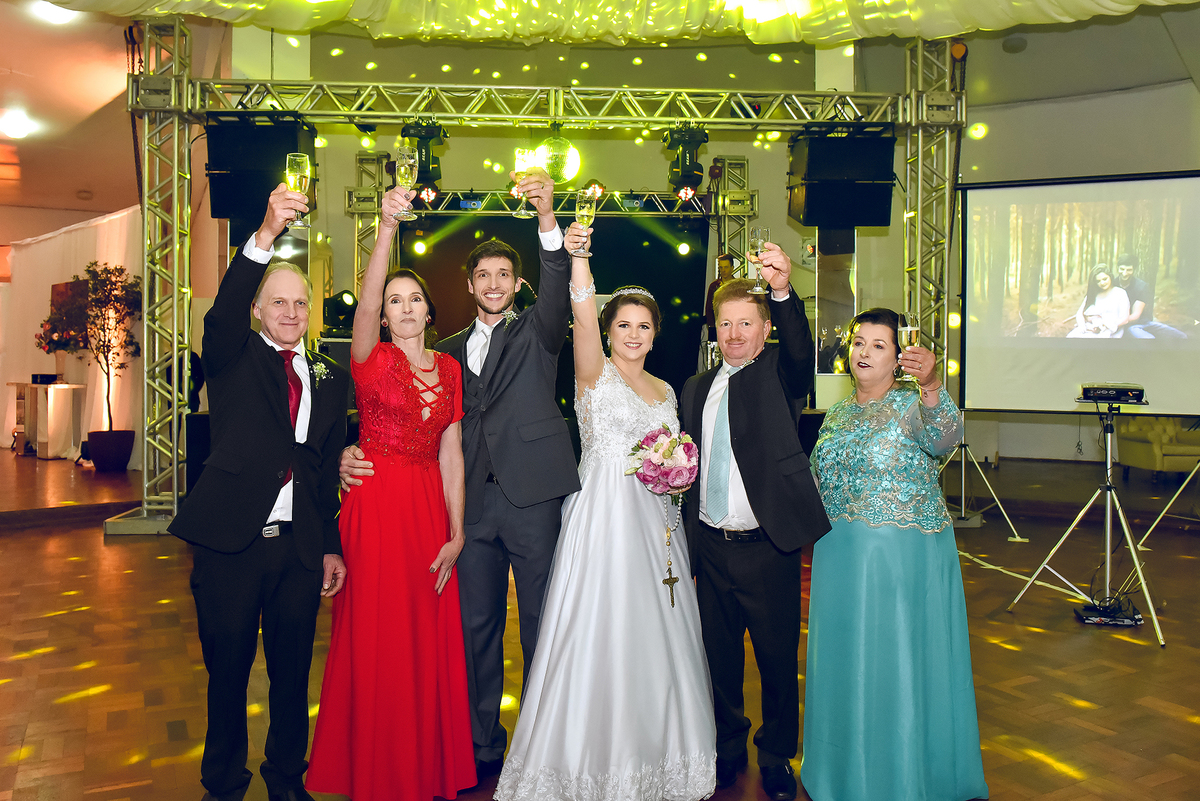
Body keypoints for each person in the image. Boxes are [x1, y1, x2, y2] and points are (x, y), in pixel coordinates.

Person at [340, 168, 578, 777]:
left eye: (504, 275)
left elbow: (557, 290)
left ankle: (543, 746)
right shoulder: (442, 353)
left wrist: (547, 219)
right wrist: (351, 454)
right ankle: (481, 745)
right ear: (469, 286)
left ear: (517, 283)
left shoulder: (540, 330)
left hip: (533, 501)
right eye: (483, 276)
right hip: (468, 509)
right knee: (475, 631)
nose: (494, 283)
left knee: (543, 627)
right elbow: (413, 420)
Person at [495, 226, 717, 801]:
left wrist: (676, 469)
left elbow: (673, 451)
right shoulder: (594, 373)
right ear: (608, 331)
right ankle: (587, 758)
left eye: (643, 326)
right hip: (604, 517)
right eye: (623, 325)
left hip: (658, 525)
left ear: (655, 333)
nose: (633, 334)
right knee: (601, 626)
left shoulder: (666, 390)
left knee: (656, 632)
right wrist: (580, 259)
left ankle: (658, 753)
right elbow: (581, 309)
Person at [168, 184, 349, 801]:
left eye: (301, 303)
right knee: (227, 675)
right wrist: (267, 233)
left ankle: (286, 780)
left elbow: (322, 473)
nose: (291, 313)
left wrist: (329, 545)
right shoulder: (231, 353)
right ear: (257, 308)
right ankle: (223, 784)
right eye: (278, 302)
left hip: (298, 551)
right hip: (231, 547)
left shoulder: (329, 377)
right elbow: (221, 312)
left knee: (292, 677)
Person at [306, 188, 476, 800]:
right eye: (394, 301)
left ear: (430, 312)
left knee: (426, 635)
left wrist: (457, 532)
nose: (404, 308)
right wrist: (385, 229)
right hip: (375, 507)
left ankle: (422, 767)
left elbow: (452, 454)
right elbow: (368, 295)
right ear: (383, 315)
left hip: (428, 508)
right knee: (376, 635)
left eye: (415, 300)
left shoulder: (450, 370)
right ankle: (376, 772)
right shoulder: (369, 359)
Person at [800, 308, 988, 801]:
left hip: (900, 562)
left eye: (878, 345)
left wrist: (931, 385)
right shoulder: (837, 412)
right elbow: (817, 481)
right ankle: (843, 771)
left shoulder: (912, 405)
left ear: (899, 357)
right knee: (846, 662)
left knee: (894, 662)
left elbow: (946, 437)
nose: (864, 352)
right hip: (838, 557)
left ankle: (899, 776)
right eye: (858, 342)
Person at [680, 247, 830, 801]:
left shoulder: (779, 374)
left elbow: (801, 353)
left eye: (747, 323)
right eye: (726, 324)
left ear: (765, 330)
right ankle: (727, 749)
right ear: (715, 330)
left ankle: (775, 756)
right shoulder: (696, 388)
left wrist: (784, 291)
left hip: (768, 546)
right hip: (710, 545)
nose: (735, 334)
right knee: (718, 658)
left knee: (775, 659)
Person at [1114, 253, 1186, 339]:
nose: (1125, 273)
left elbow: (1135, 316)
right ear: (1117, 268)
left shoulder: (1141, 286)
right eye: (1122, 269)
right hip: (1128, 327)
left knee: (1181, 336)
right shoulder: (1112, 285)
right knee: (1149, 339)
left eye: (1129, 270)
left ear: (1134, 270)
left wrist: (1115, 323)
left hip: (1142, 323)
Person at [1066, 265, 1129, 338]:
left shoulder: (1120, 293)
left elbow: (1124, 319)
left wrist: (1104, 326)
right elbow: (1080, 313)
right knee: (1071, 337)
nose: (1102, 283)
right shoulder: (1093, 294)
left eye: (1105, 279)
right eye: (1098, 281)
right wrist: (1082, 326)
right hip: (1090, 328)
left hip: (1110, 331)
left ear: (1110, 277)